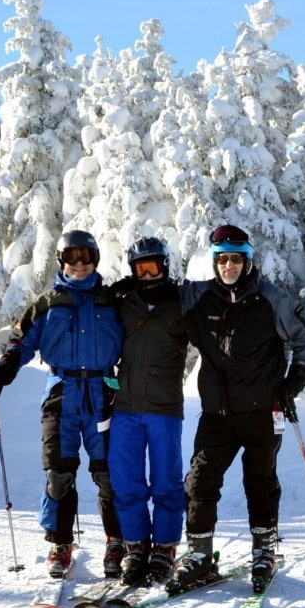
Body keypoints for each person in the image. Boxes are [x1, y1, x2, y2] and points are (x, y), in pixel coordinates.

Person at [170, 224, 305, 593]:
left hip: (263, 411)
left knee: (260, 481)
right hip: (216, 414)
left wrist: (295, 379)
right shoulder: (199, 298)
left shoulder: (272, 299)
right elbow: (155, 294)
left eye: (237, 259)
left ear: (247, 260)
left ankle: (264, 548)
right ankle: (200, 554)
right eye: (222, 259)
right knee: (199, 482)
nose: (229, 266)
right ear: (215, 261)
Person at [0, 230, 127, 579]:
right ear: (60, 261)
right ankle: (60, 543)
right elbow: (19, 345)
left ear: (95, 260)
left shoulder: (113, 302)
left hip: (104, 394)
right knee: (59, 473)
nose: (79, 264)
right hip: (62, 394)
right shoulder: (46, 304)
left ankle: (116, 540)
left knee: (109, 474)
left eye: (86, 257)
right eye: (71, 258)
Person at [107, 237, 189, 586]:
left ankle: (165, 548)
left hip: (164, 409)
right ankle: (136, 547)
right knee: (126, 482)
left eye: (153, 267)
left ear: (165, 266)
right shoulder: (124, 303)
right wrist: (116, 289)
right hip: (125, 407)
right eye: (140, 269)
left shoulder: (182, 303)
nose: (147, 275)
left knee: (167, 483)